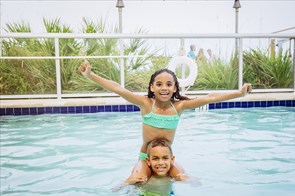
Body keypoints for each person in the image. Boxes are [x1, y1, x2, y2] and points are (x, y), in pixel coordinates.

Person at [79, 60, 252, 182]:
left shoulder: (179, 106)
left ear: (175, 88)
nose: (164, 88)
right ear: (152, 87)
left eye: (169, 84)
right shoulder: (146, 104)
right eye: (159, 84)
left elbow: (210, 98)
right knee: (137, 179)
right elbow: (118, 88)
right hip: (146, 157)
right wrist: (90, 75)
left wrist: (239, 94)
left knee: (183, 178)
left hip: (165, 159)